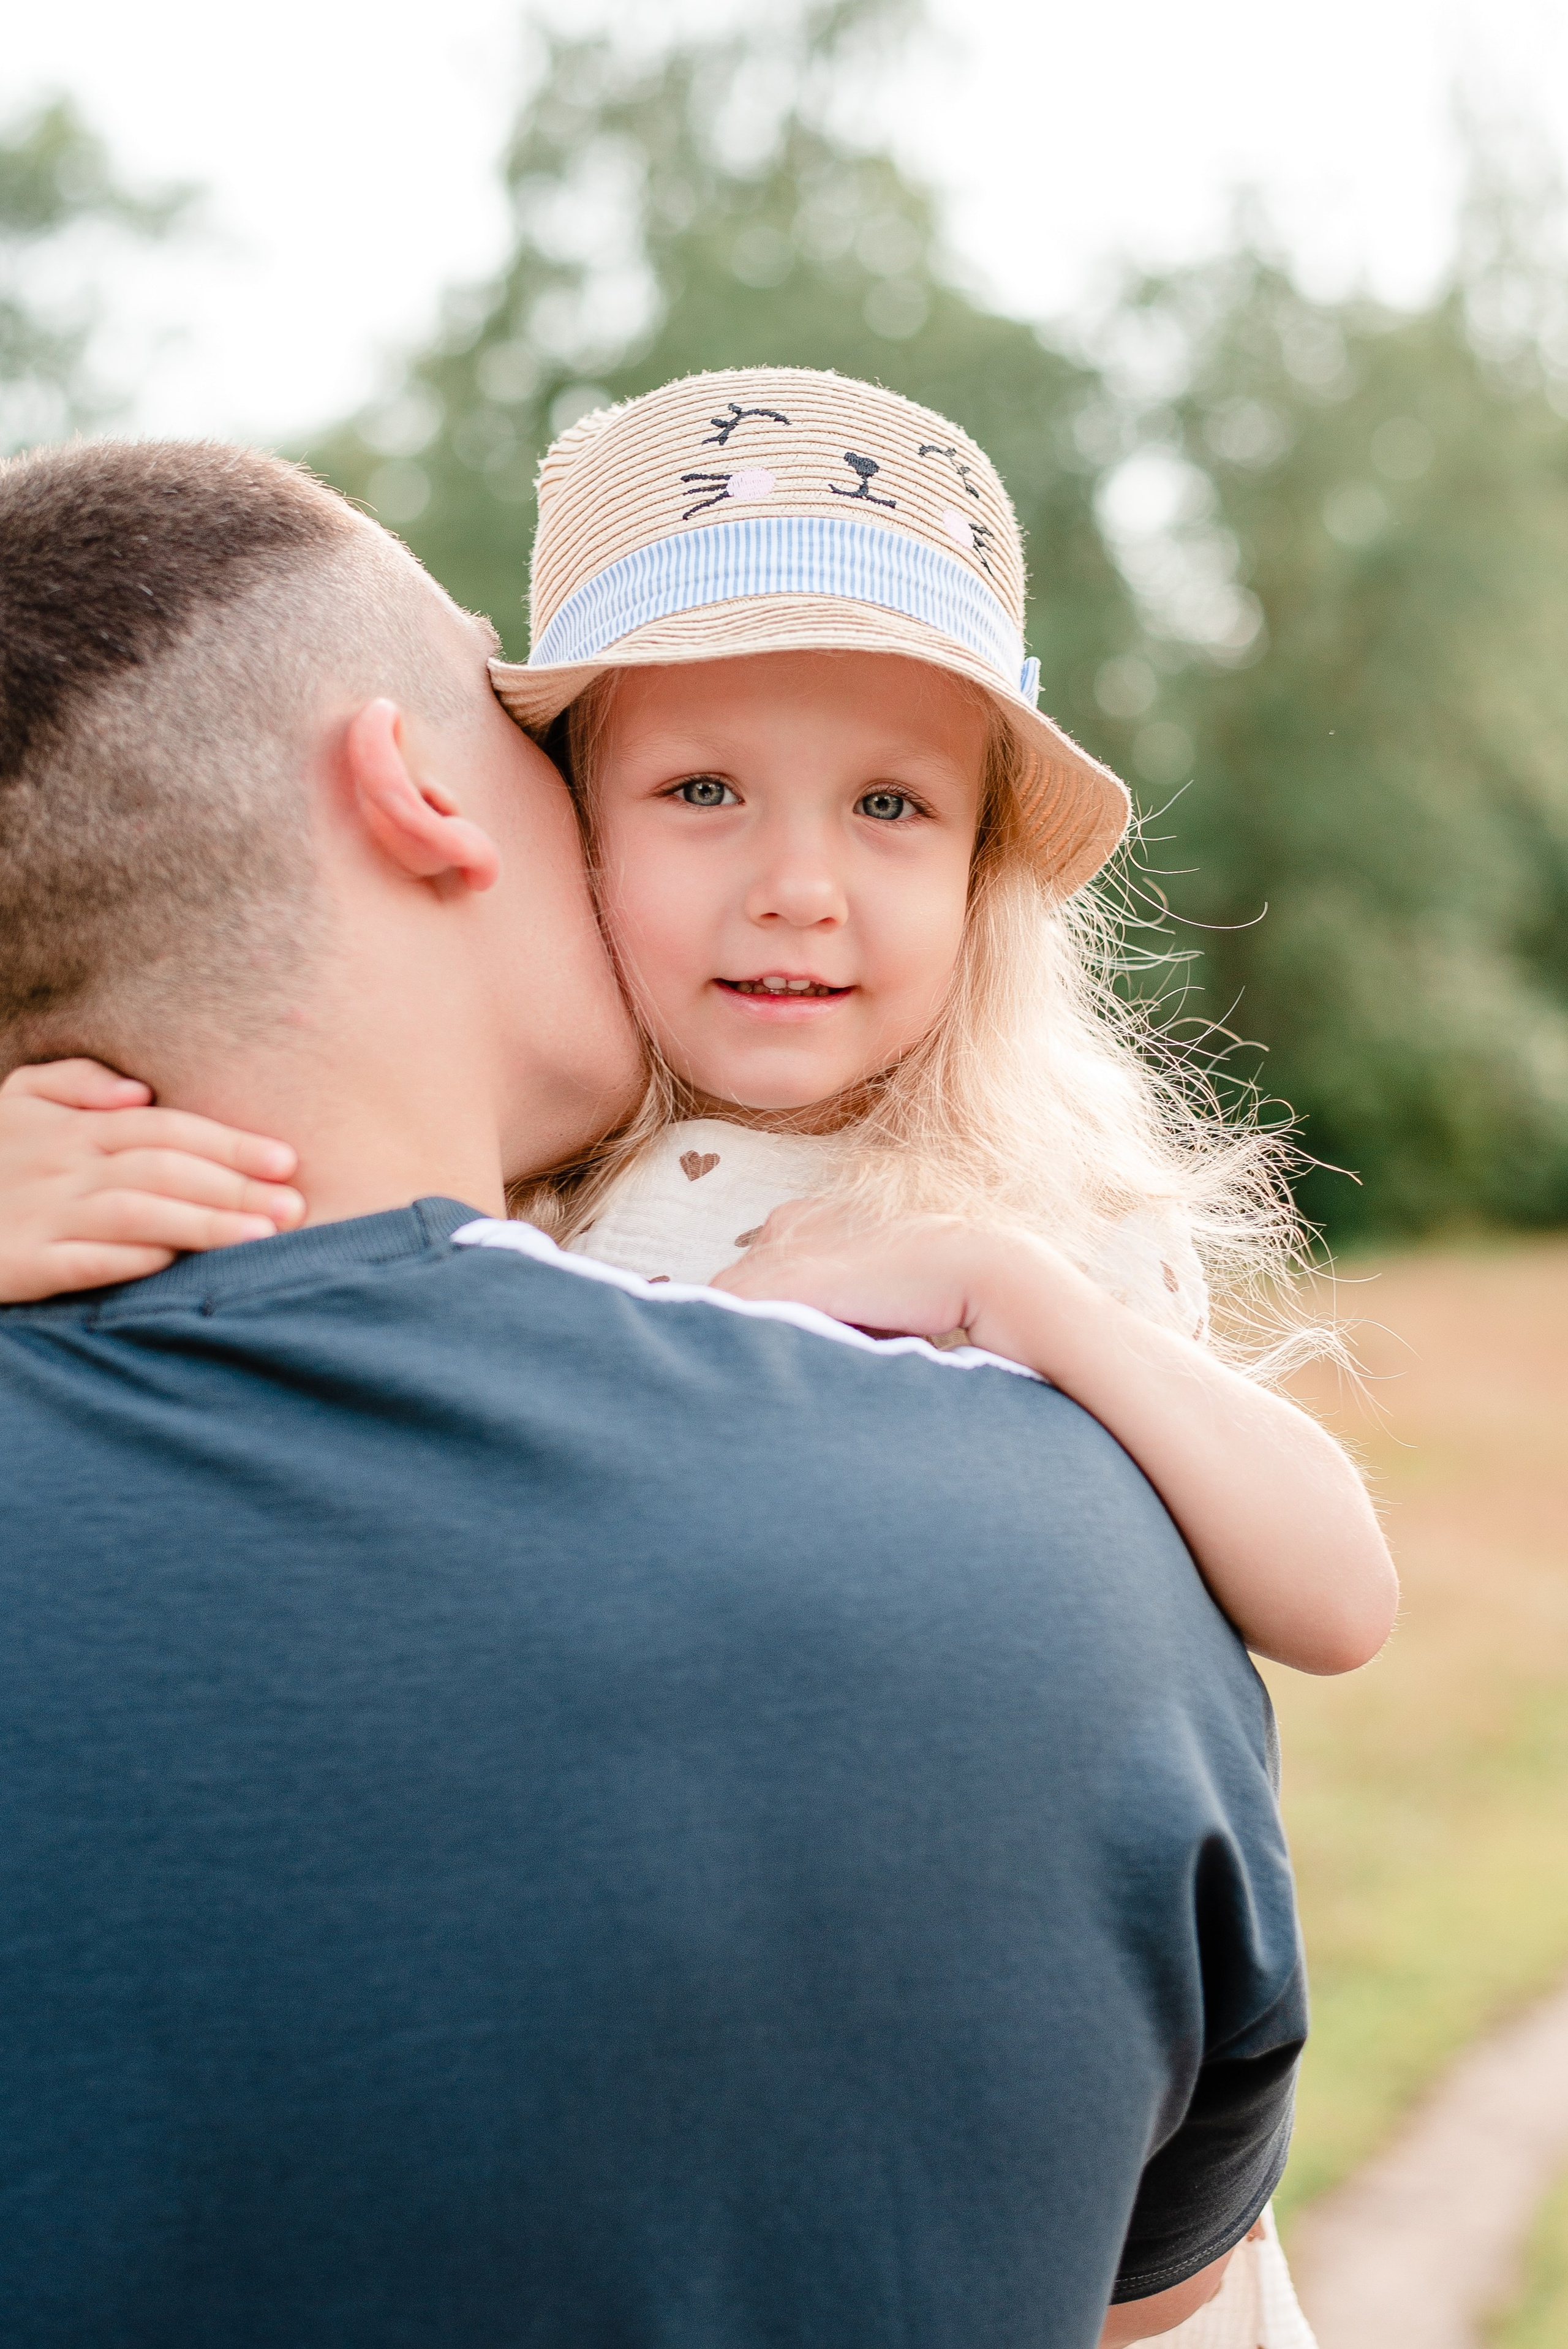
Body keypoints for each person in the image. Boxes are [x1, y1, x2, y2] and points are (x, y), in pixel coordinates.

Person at [0, 437, 1307, 2347]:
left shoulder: (1020, 1293)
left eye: (890, 805)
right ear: (431, 788)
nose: (793, 890)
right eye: (678, 787)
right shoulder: (1056, 1556)